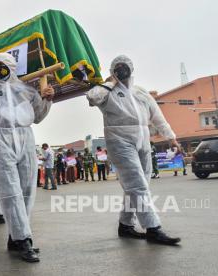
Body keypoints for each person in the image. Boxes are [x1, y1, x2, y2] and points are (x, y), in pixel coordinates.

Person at [86, 55, 181, 245]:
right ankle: (153, 229)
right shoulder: (107, 91)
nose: (122, 70)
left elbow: (158, 117)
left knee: (140, 185)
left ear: (131, 69)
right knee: (137, 184)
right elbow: (91, 97)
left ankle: (126, 225)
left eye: (125, 67)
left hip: (143, 140)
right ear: (113, 71)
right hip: (119, 141)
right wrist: (110, 82)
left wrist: (171, 138)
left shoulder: (141, 93)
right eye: (117, 67)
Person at [0, 52, 53, 262]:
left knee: (26, 191)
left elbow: (39, 116)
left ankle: (14, 237)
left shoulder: (27, 90)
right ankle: (24, 240)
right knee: (10, 191)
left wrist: (48, 99)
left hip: (25, 138)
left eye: (3, 65)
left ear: (13, 67)